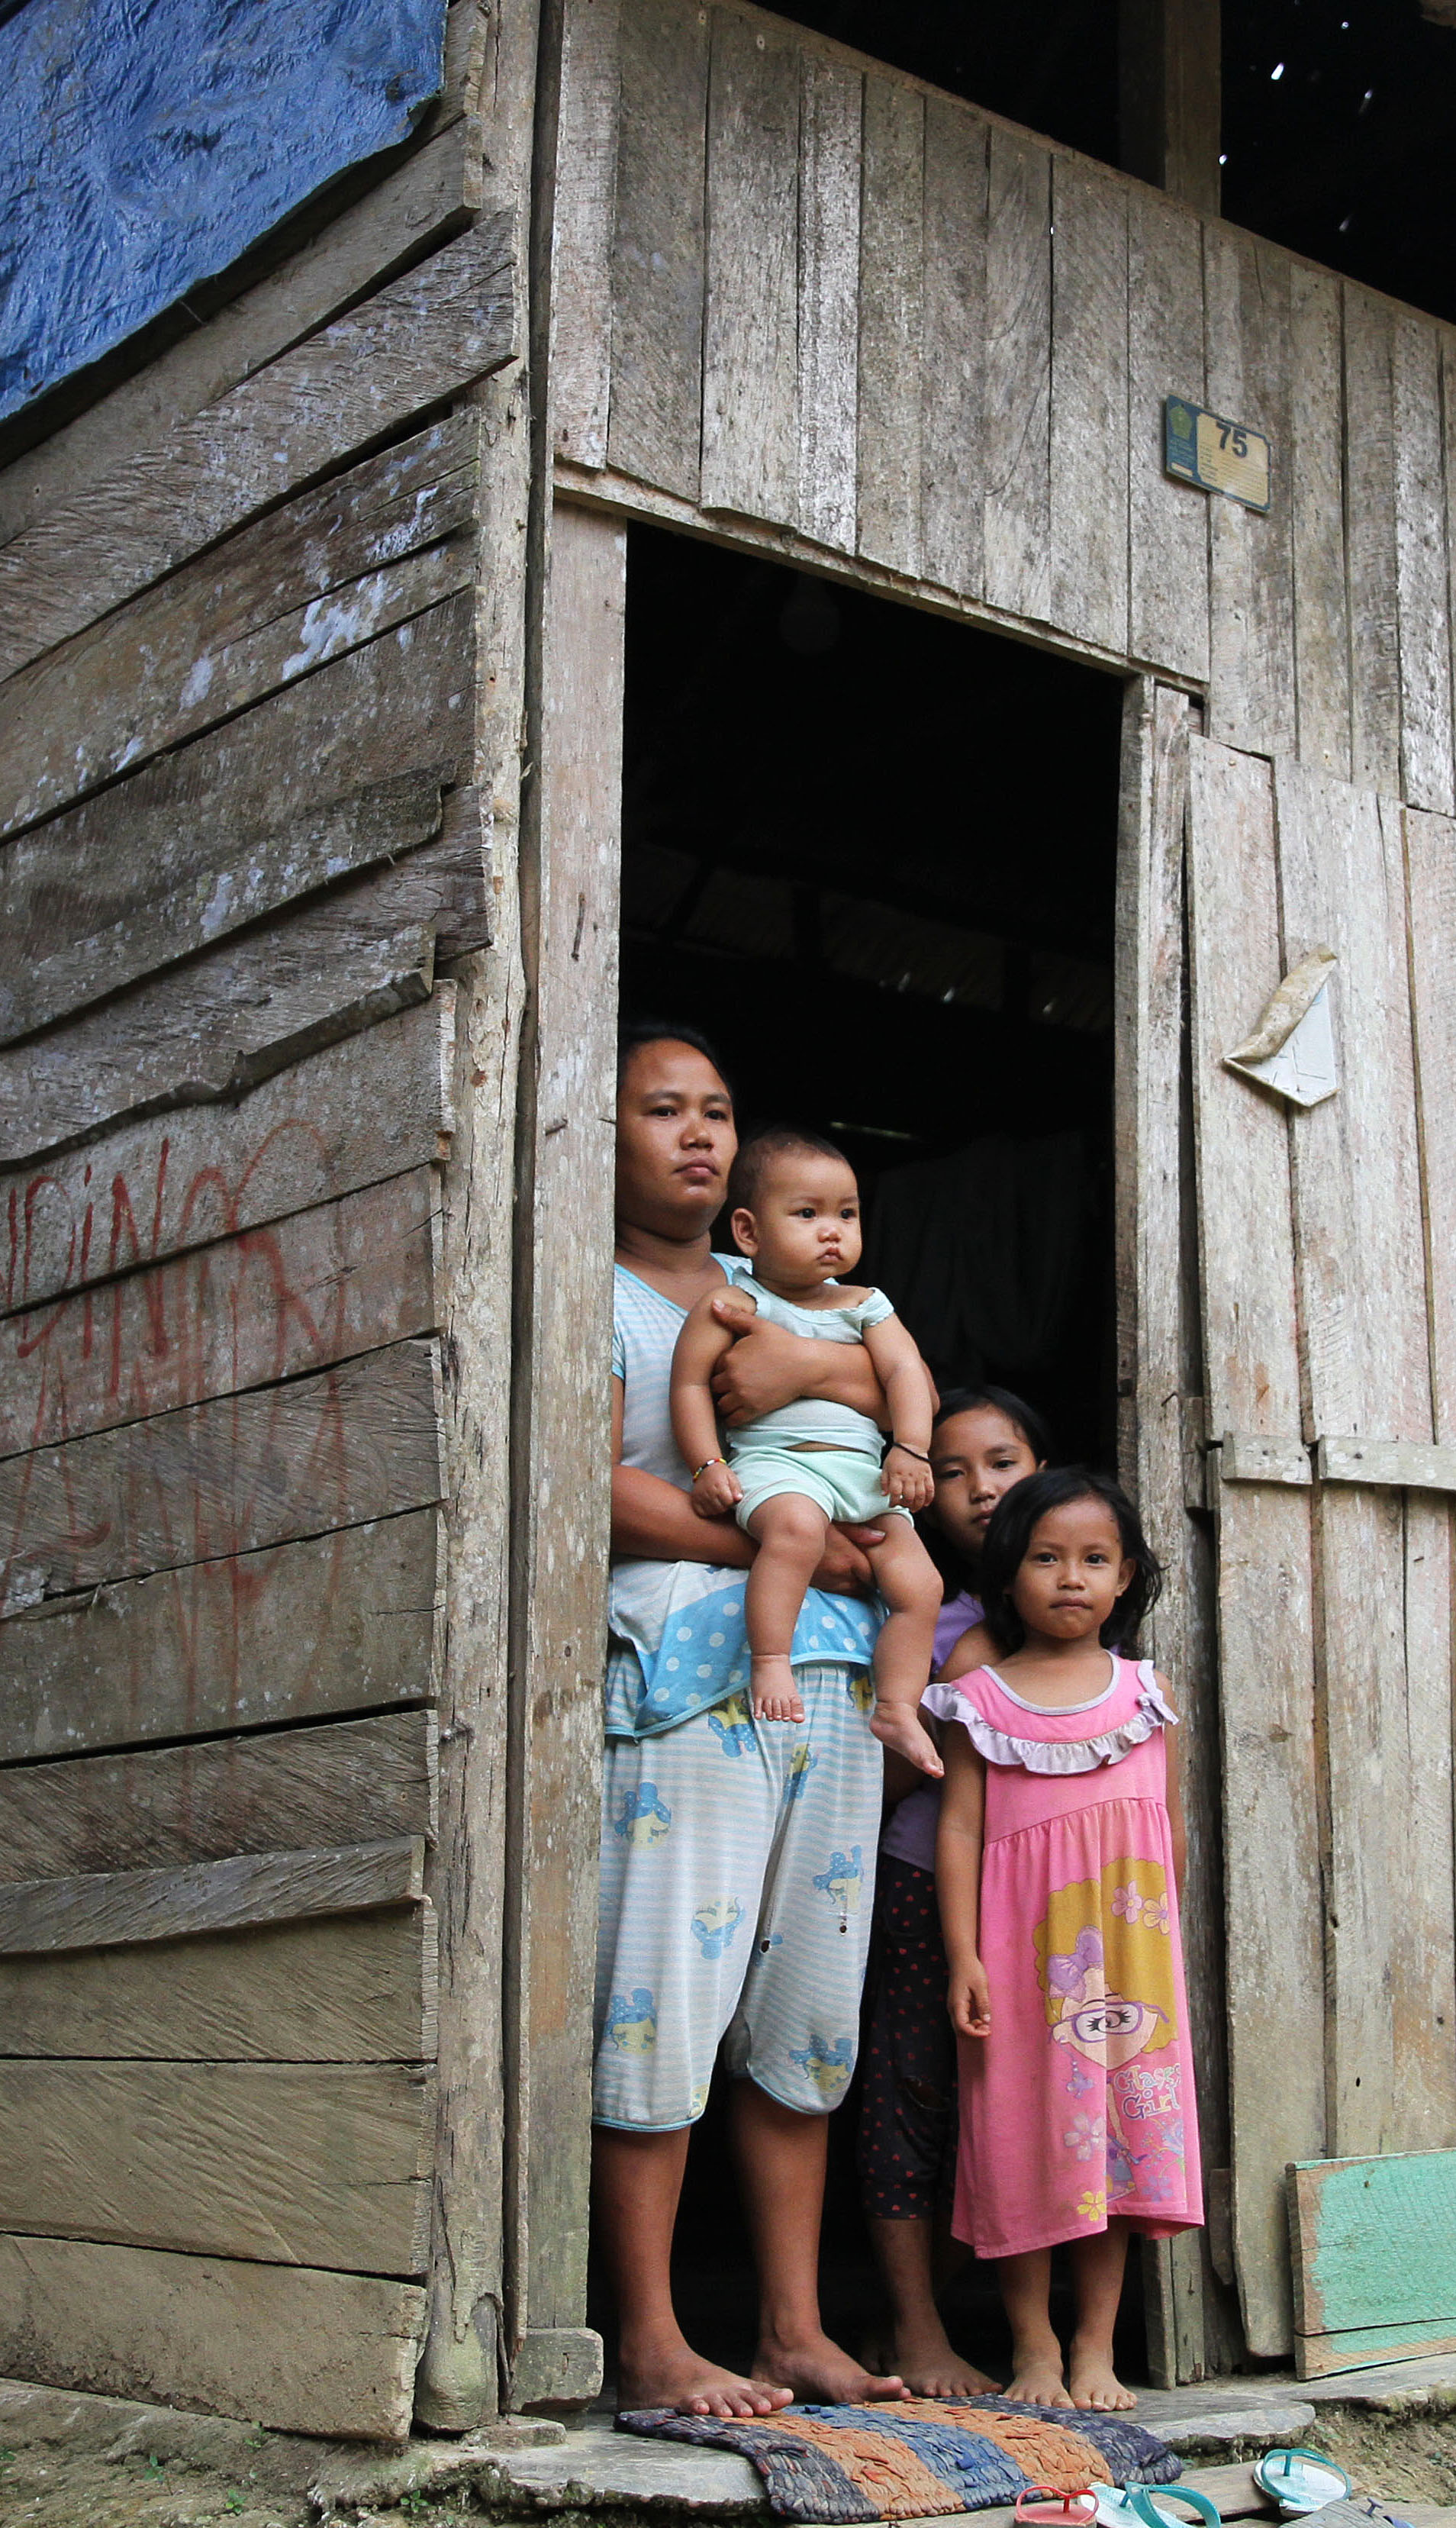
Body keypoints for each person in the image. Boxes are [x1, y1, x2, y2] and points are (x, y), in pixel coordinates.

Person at [596, 1019, 908, 2418]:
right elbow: (598, 1481)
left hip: (832, 1670)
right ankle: (654, 2337)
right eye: (662, 1109)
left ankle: (791, 2324)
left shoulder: (774, 1270)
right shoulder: (589, 1291)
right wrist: (792, 1547)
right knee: (667, 1994)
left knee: (807, 2005)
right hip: (688, 1669)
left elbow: (889, 1382)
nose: (698, 1130)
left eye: (715, 1107)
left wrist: (817, 1390)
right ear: (600, 1136)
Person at [932, 1469, 1204, 2414]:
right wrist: (964, 1956)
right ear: (1008, 1576)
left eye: (1095, 1559)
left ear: (1127, 1576)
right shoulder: (979, 1697)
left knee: (1114, 2146)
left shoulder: (1145, 1693)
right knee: (1023, 2140)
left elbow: (1159, 1832)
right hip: (1020, 1959)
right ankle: (1034, 2346)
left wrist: (1162, 1960)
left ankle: (1096, 2347)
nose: (1071, 1578)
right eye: (1046, 1558)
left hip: (1126, 1965)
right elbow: (959, 1831)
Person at [850, 1384, 1053, 2396]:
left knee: (1010, 2100)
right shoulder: (925, 1617)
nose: (981, 1490)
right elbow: (878, 1772)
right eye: (956, 1471)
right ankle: (915, 2326)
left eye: (1004, 1463)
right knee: (911, 2086)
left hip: (1046, 1902)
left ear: (1045, 1473)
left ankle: (959, 2324)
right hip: (924, 1878)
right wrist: (951, 1707)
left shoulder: (1081, 1612)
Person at [668, 1127, 949, 1764]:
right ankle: (771, 1661)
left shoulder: (867, 1305)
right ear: (748, 1232)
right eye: (808, 1214)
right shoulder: (731, 1304)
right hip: (777, 1467)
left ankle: (899, 1708)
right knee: (795, 1531)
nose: (833, 1231)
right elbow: (688, 1385)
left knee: (920, 1583)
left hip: (861, 1475)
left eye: (846, 1214)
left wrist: (910, 1448)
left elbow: (909, 1377)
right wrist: (707, 1463)